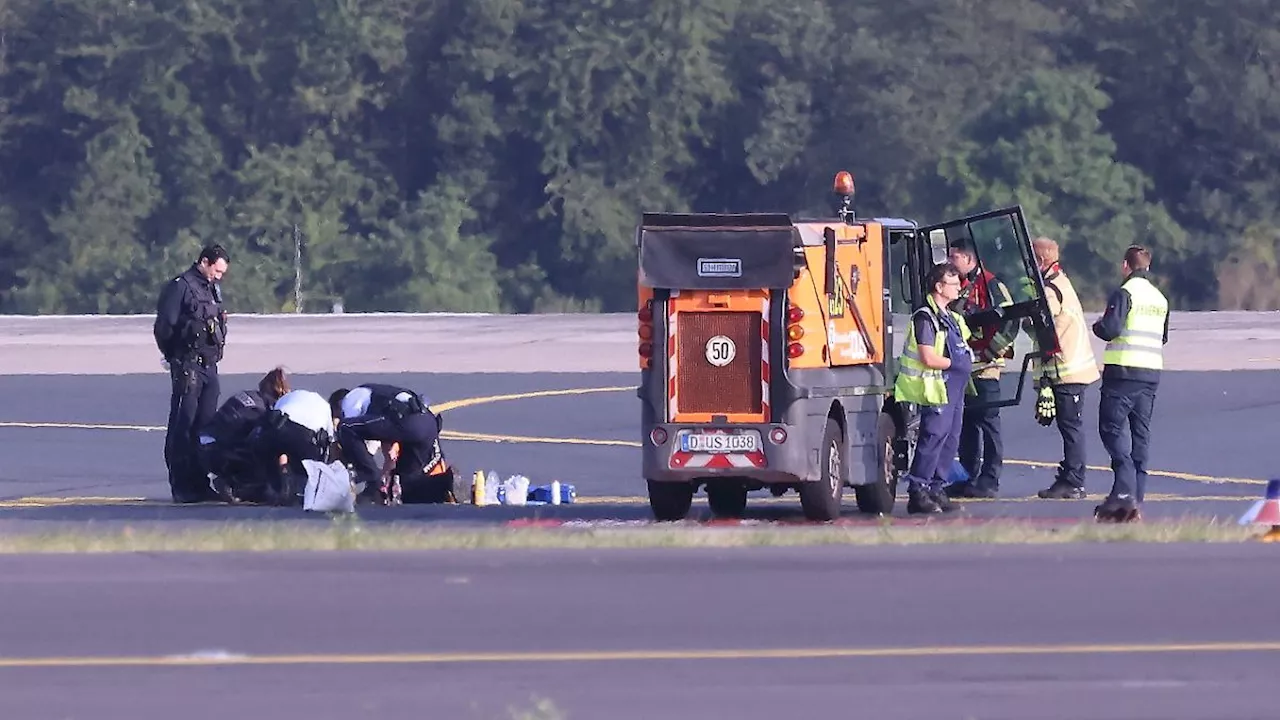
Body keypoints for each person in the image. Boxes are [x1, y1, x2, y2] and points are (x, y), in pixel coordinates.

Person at [1090, 245, 1169, 523]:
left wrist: (1097, 326)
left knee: (1111, 428)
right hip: (1151, 373)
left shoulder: (1125, 292)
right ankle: (1136, 495)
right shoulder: (1160, 298)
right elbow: (1162, 337)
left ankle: (1123, 489)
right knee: (1140, 435)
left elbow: (1111, 329)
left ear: (1126, 265)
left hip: (1124, 372)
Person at [893, 262, 974, 514]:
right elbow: (927, 357)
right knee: (933, 437)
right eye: (953, 283)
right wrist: (955, 363)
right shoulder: (925, 317)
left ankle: (937, 488)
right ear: (939, 287)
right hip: (937, 386)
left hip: (956, 387)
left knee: (951, 439)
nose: (959, 288)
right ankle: (918, 490)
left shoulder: (952, 317)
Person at [153, 244, 231, 503]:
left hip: (210, 366)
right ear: (205, 262)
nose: (219, 276)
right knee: (183, 426)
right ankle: (181, 484)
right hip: (188, 366)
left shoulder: (211, 289)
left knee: (205, 427)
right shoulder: (180, 287)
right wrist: (175, 358)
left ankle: (200, 482)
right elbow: (164, 327)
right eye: (216, 270)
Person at [1029, 238, 1102, 501]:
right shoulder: (1061, 282)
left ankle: (1074, 480)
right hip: (1071, 369)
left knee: (1071, 427)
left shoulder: (1051, 289)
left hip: (1066, 371)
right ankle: (1072, 476)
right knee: (1070, 426)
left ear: (1040, 261)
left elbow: (1043, 327)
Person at [944, 239, 1015, 500]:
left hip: (986, 368)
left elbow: (1011, 321)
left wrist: (990, 351)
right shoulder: (956, 287)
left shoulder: (992, 284)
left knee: (989, 424)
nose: (950, 263)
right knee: (966, 426)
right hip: (963, 369)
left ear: (969, 259)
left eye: (955, 258)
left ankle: (990, 479)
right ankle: (966, 476)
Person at [329, 384, 456, 505]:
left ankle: (371, 480)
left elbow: (355, 437)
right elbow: (385, 442)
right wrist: (387, 473)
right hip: (427, 423)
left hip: (407, 422)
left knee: (345, 427)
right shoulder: (377, 399)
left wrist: (372, 478)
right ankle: (446, 484)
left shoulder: (350, 399)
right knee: (405, 488)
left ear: (337, 407)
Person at [196, 367, 291, 503]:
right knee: (267, 456)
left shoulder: (250, 396)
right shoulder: (261, 409)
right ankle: (235, 486)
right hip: (220, 450)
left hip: (205, 446)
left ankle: (232, 481)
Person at [247, 388, 336, 506]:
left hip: (274, 428)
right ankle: (301, 489)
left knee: (271, 450)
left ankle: (275, 489)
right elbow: (329, 442)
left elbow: (273, 422)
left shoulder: (287, 398)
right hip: (304, 436)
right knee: (308, 464)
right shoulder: (325, 407)